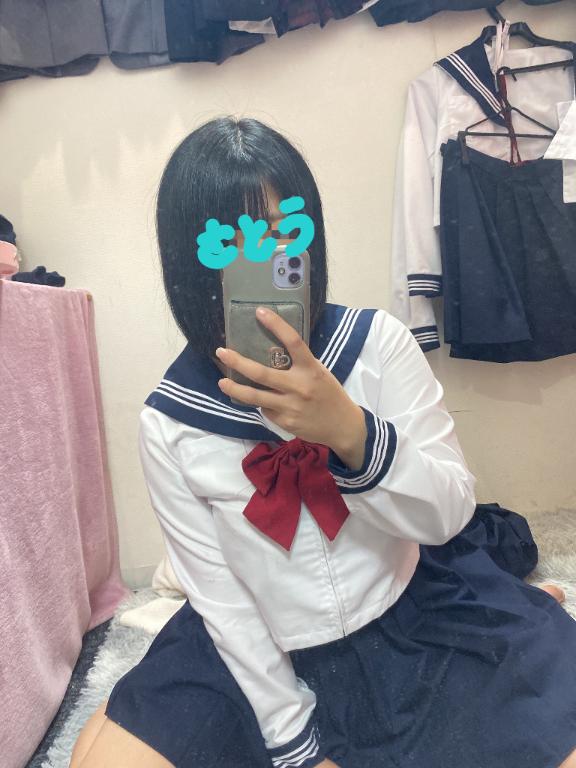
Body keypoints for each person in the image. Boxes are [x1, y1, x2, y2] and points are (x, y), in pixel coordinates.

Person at [70, 117, 575, 768]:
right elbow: (223, 600)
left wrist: (352, 433)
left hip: (408, 610)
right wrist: (296, 748)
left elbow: (448, 515)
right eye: (229, 243)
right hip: (261, 643)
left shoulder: (378, 344)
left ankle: (519, 600)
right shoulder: (170, 421)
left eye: (282, 232)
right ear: (187, 261)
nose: (261, 259)